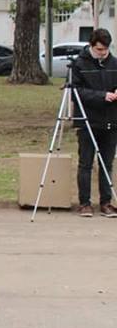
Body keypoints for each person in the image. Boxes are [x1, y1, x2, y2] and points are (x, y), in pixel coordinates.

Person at [70, 28, 117, 218]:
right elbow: (74, 91)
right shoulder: (78, 64)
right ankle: (84, 203)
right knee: (86, 163)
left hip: (111, 121)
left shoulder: (114, 63)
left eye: (105, 50)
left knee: (107, 163)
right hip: (87, 120)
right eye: (99, 49)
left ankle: (106, 202)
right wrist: (101, 96)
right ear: (91, 46)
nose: (102, 53)